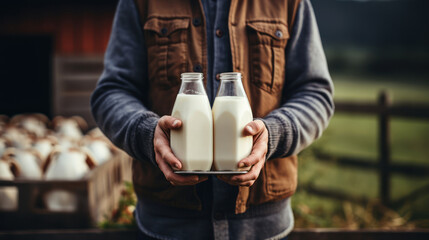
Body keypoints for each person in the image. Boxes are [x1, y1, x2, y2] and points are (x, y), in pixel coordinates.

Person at [91, 0, 334, 239]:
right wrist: (145, 133)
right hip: (168, 224)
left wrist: (275, 134)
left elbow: (315, 94)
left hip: (263, 225)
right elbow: (112, 92)